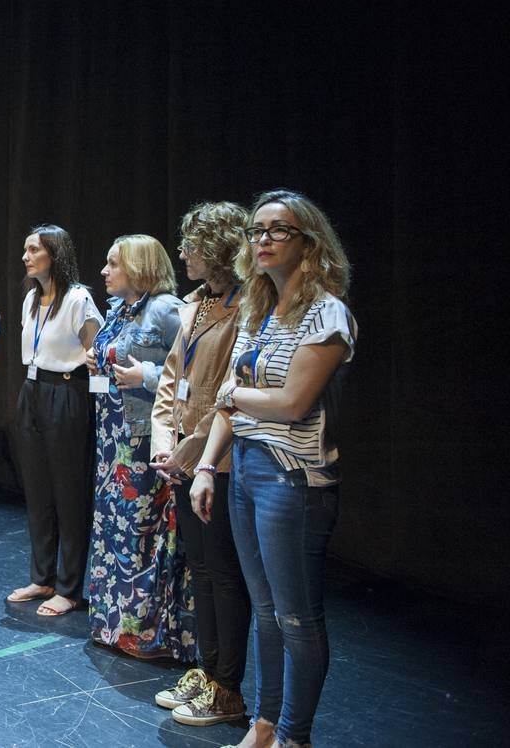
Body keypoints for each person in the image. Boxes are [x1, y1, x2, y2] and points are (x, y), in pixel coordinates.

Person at [189, 189, 356, 748]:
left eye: (276, 230)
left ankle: (294, 735)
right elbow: (228, 405)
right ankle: (264, 724)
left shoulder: (327, 313)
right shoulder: (259, 312)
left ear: (308, 242)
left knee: (297, 619)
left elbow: (291, 402)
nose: (262, 239)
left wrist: (237, 392)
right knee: (264, 610)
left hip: (294, 480)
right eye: (256, 230)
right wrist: (208, 466)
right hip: (247, 471)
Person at [149, 202, 251, 726]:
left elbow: (232, 392)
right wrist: (165, 439)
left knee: (225, 574)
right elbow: (171, 379)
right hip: (186, 459)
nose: (182, 251)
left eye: (191, 243)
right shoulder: (194, 305)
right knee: (202, 570)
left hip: (222, 461)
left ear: (215, 248)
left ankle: (228, 687)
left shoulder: (248, 308)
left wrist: (192, 447)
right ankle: (209, 673)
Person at [86, 235, 188, 658]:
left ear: (140, 267)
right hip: (112, 436)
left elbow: (194, 375)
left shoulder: (166, 309)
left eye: (114, 264)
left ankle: (147, 631)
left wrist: (145, 375)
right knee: (115, 530)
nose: (105, 272)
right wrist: (96, 362)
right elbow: (109, 361)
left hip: (144, 438)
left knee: (141, 531)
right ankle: (114, 624)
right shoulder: (119, 309)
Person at [6, 225, 103, 616]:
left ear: (55, 254)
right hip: (32, 391)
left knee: (68, 492)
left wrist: (93, 407)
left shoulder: (78, 299)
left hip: (67, 392)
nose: (26, 257)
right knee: (39, 489)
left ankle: (70, 585)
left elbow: (95, 356)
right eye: (26, 249)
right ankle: (42, 577)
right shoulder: (32, 298)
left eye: (34, 250)